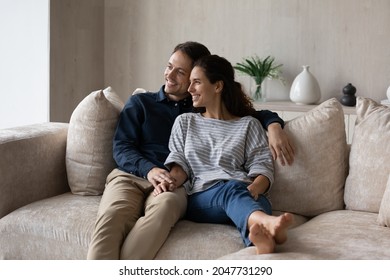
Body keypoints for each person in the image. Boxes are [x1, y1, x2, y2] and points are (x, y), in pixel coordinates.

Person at [87, 42, 293, 260]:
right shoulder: (144, 104)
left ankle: (262, 240)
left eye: (182, 73)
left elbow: (246, 116)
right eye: (169, 66)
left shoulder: (201, 107)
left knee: (169, 206)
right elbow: (122, 147)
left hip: (175, 184)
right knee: (112, 216)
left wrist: (273, 125)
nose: (170, 75)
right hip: (134, 177)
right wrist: (151, 171)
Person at [159, 54, 294, 254]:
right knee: (232, 191)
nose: (189, 89)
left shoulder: (249, 124)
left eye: (196, 82)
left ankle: (265, 240)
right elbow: (180, 165)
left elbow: (263, 166)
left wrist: (254, 188)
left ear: (217, 86)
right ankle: (270, 224)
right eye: (190, 83)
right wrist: (169, 181)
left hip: (246, 192)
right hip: (203, 197)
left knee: (252, 200)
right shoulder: (185, 122)